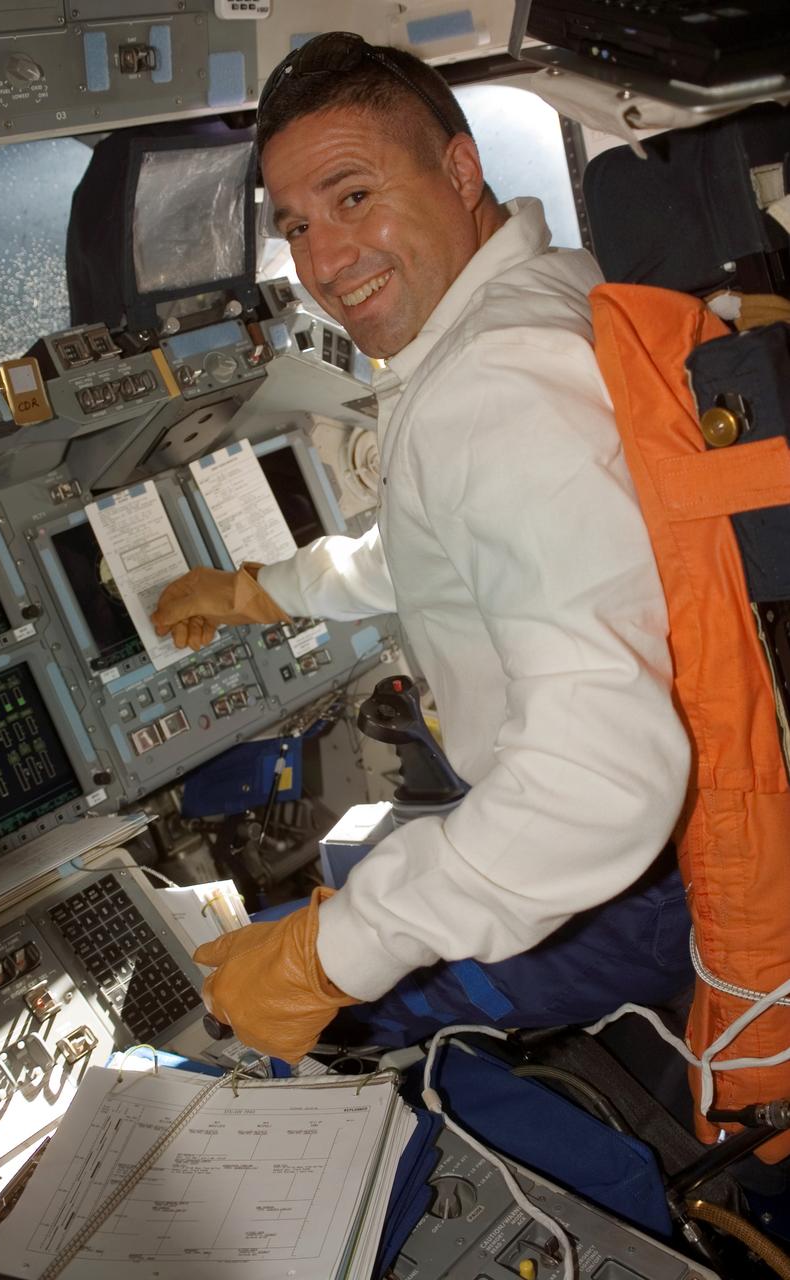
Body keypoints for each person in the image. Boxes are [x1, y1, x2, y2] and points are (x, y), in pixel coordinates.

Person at [152, 33, 693, 1064]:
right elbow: (442, 547)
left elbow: (598, 777)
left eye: (352, 196)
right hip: (631, 857)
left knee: (240, 1018)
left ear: (459, 167)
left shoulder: (494, 387)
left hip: (629, 893)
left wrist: (334, 954)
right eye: (298, 225)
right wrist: (264, 590)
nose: (325, 261)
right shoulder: (539, 302)